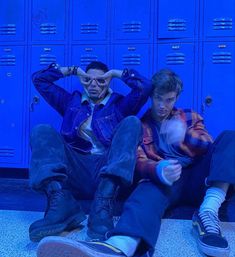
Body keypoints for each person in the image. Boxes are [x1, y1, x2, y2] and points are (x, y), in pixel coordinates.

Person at [36, 69, 235, 257]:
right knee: (147, 187)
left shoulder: (189, 116)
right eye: (158, 98)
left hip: (197, 177)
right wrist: (157, 169)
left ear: (176, 98)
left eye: (169, 100)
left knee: (229, 137)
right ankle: (120, 245)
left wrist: (183, 135)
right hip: (168, 179)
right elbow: (138, 160)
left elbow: (207, 144)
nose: (163, 105)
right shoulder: (143, 125)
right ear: (151, 96)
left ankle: (208, 212)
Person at [29, 61, 152, 242]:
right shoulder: (71, 102)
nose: (94, 85)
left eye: (100, 81)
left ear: (108, 82)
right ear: (83, 81)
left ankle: (102, 206)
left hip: (106, 171)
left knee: (132, 122)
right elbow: (39, 80)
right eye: (88, 80)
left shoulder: (119, 105)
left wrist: (116, 73)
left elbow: (146, 86)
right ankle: (62, 203)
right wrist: (72, 70)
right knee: (41, 130)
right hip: (76, 170)